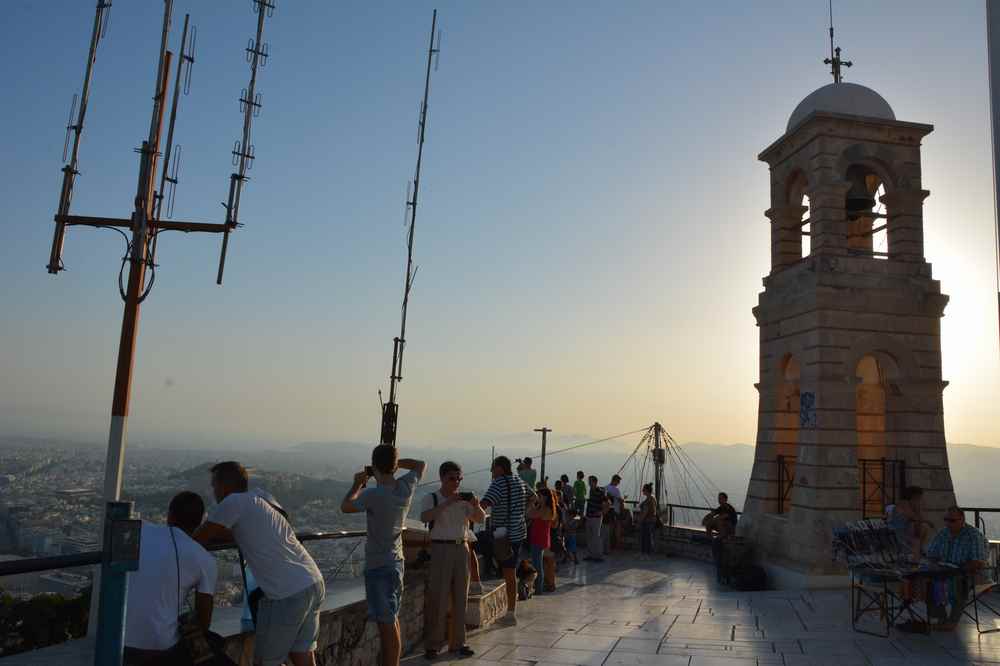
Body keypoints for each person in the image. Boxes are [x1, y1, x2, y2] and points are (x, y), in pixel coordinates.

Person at [195, 462, 325, 666]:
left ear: (224, 485)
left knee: (266, 662)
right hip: (313, 581)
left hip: (287, 593)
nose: (213, 492)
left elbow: (198, 538)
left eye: (214, 485)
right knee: (303, 657)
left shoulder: (233, 502)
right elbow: (255, 532)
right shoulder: (261, 499)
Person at [340, 446, 425, 666]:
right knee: (392, 620)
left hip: (378, 566)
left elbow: (346, 506)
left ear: (374, 465)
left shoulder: (373, 494)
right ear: (394, 466)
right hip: (397, 562)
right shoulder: (405, 487)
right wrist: (396, 465)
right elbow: (420, 465)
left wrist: (357, 483)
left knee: (386, 626)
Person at [124, 492, 217, 666]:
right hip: (161, 647)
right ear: (199, 522)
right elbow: (204, 621)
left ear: (169, 514)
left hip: (116, 638)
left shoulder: (140, 529)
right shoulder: (205, 559)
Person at [418, 461, 485, 660]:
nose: (456, 482)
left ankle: (459, 642)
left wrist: (475, 504)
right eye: (452, 478)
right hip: (440, 547)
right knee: (438, 598)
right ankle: (433, 644)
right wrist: (447, 502)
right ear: (442, 478)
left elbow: (480, 519)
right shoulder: (432, 498)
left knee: (460, 597)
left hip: (461, 547)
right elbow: (424, 517)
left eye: (459, 478)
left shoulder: (465, 501)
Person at [481, 455, 531, 626]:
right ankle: (511, 610)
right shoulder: (519, 481)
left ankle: (511, 614)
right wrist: (521, 515)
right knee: (510, 571)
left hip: (504, 535)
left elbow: (484, 504)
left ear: (500, 468)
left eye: (493, 468)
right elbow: (534, 498)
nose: (491, 471)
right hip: (519, 532)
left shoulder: (499, 483)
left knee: (509, 573)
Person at [924, 506, 988, 630]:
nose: (948, 523)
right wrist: (935, 564)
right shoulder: (943, 533)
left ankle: (952, 621)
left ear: (962, 520)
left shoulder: (973, 535)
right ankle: (941, 618)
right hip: (945, 570)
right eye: (946, 520)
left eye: (952, 520)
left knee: (958, 580)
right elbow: (931, 553)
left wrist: (958, 569)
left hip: (970, 572)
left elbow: (978, 562)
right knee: (928, 579)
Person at [887, 486, 933, 559]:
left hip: (906, 531)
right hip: (897, 531)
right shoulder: (903, 503)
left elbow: (918, 520)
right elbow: (913, 517)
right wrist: (918, 510)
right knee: (916, 531)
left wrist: (918, 509)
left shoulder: (912, 505)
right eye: (919, 497)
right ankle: (916, 557)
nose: (921, 499)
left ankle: (919, 552)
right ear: (914, 496)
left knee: (922, 528)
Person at [526, 487, 557, 595]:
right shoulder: (544, 507)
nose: (538, 497)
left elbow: (529, 514)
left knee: (537, 565)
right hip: (539, 538)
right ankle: (538, 587)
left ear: (545, 497)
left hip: (539, 539)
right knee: (537, 564)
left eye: (540, 496)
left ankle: (538, 588)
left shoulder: (545, 509)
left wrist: (531, 503)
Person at [583, 475, 608, 562]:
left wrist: (602, 512)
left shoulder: (599, 491)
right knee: (589, 536)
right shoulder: (591, 490)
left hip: (596, 517)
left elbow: (607, 502)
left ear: (594, 482)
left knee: (596, 537)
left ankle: (599, 556)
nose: (589, 483)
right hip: (589, 516)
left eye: (590, 481)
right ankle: (591, 554)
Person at [637, 483, 658, 560]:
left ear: (646, 490)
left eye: (643, 489)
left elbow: (645, 512)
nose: (642, 491)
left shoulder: (649, 499)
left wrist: (640, 520)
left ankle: (645, 554)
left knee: (645, 538)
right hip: (651, 520)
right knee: (648, 537)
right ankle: (646, 553)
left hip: (647, 521)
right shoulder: (652, 498)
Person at [605, 475, 625, 551]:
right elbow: (620, 500)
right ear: (615, 481)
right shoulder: (616, 490)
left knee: (610, 528)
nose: (619, 483)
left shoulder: (606, 487)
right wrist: (623, 500)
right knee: (617, 528)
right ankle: (617, 545)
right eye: (618, 481)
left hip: (608, 510)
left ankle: (609, 545)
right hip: (615, 511)